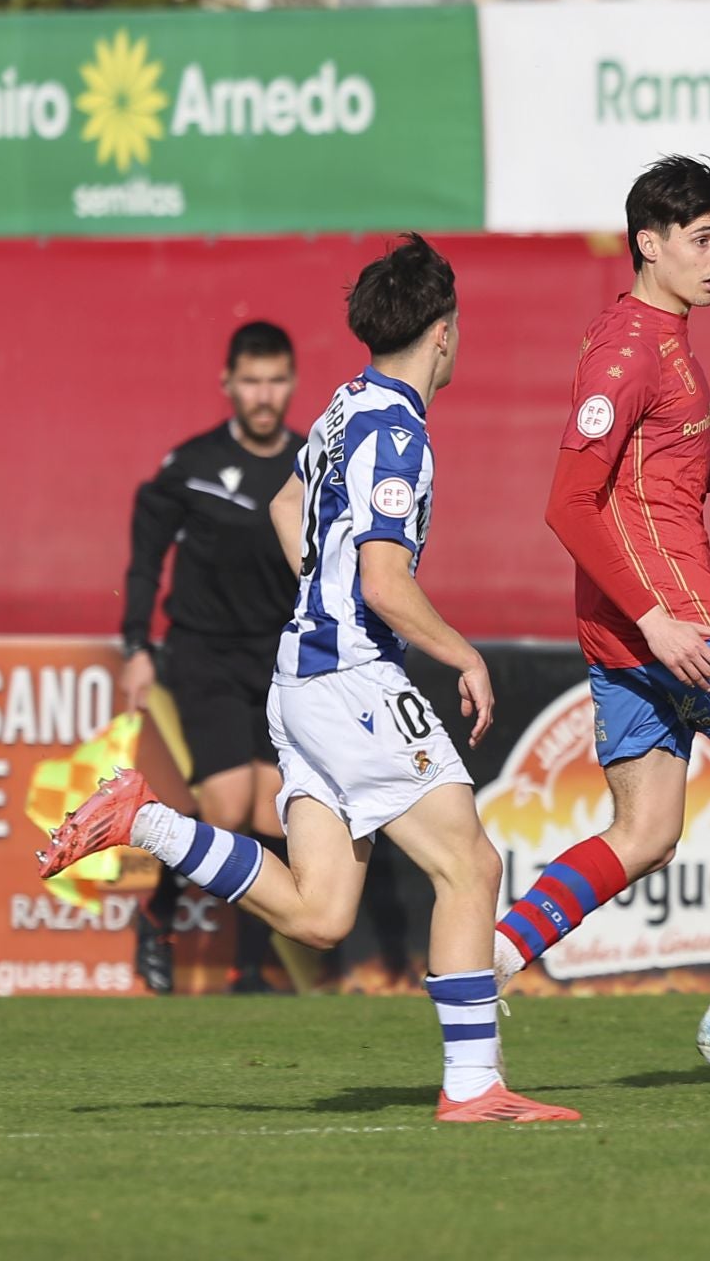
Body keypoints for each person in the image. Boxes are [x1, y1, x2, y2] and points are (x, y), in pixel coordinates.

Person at [42, 236, 578, 1123]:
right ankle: (475, 1087)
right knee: (471, 865)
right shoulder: (398, 429)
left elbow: (286, 505)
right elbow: (383, 583)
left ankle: (146, 821)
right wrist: (463, 655)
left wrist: (316, 596)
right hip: (354, 680)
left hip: (297, 679)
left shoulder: (342, 406)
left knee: (322, 913)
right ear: (443, 332)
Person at [497, 155, 710, 1076]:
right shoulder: (629, 350)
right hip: (683, 624)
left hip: (631, 630)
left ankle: (485, 959)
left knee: (646, 833)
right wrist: (656, 617)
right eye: (702, 239)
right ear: (648, 245)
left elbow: (644, 475)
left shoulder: (645, 333)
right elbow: (570, 503)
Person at [120, 321, 305, 995]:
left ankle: (249, 970)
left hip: (281, 660)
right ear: (227, 384)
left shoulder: (312, 463)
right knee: (227, 809)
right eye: (251, 380)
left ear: (291, 383)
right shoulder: (190, 467)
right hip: (204, 653)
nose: (264, 395)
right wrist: (137, 644)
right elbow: (144, 560)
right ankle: (159, 917)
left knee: (270, 813)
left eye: (276, 380)